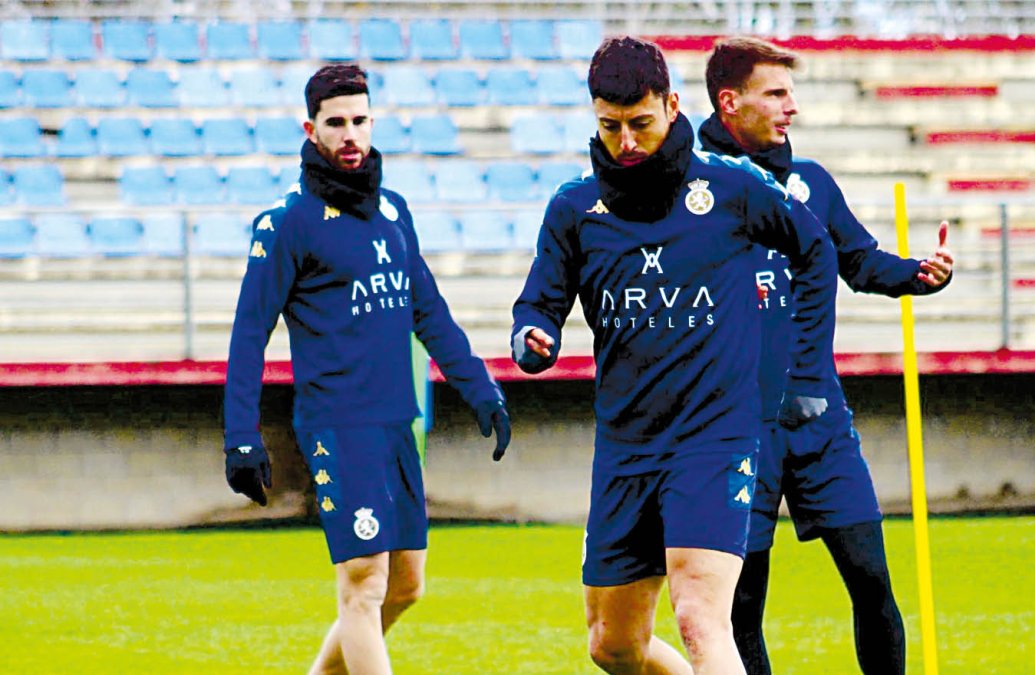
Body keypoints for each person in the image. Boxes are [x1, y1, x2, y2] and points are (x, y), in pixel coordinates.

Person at [511, 36, 837, 675]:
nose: (626, 142)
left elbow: (815, 250)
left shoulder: (733, 187)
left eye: (641, 124)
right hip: (627, 446)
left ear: (672, 105)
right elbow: (536, 306)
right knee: (612, 645)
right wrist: (532, 341)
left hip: (715, 438)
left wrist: (801, 362)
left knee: (698, 617)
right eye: (610, 126)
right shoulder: (574, 209)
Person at [222, 64, 511, 675]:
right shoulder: (286, 224)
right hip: (338, 425)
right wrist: (241, 437)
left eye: (359, 121)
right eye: (335, 123)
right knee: (363, 586)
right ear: (311, 128)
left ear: (372, 122)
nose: (349, 134)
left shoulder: (394, 211)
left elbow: (428, 311)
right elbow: (250, 336)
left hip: (395, 423)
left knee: (406, 585)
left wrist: (481, 389)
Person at [698, 37, 955, 675]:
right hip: (733, 429)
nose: (793, 107)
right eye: (776, 93)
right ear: (731, 101)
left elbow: (861, 261)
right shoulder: (696, 188)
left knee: (872, 582)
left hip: (819, 420)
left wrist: (917, 274)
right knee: (740, 609)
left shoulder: (811, 183)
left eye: (792, 92)